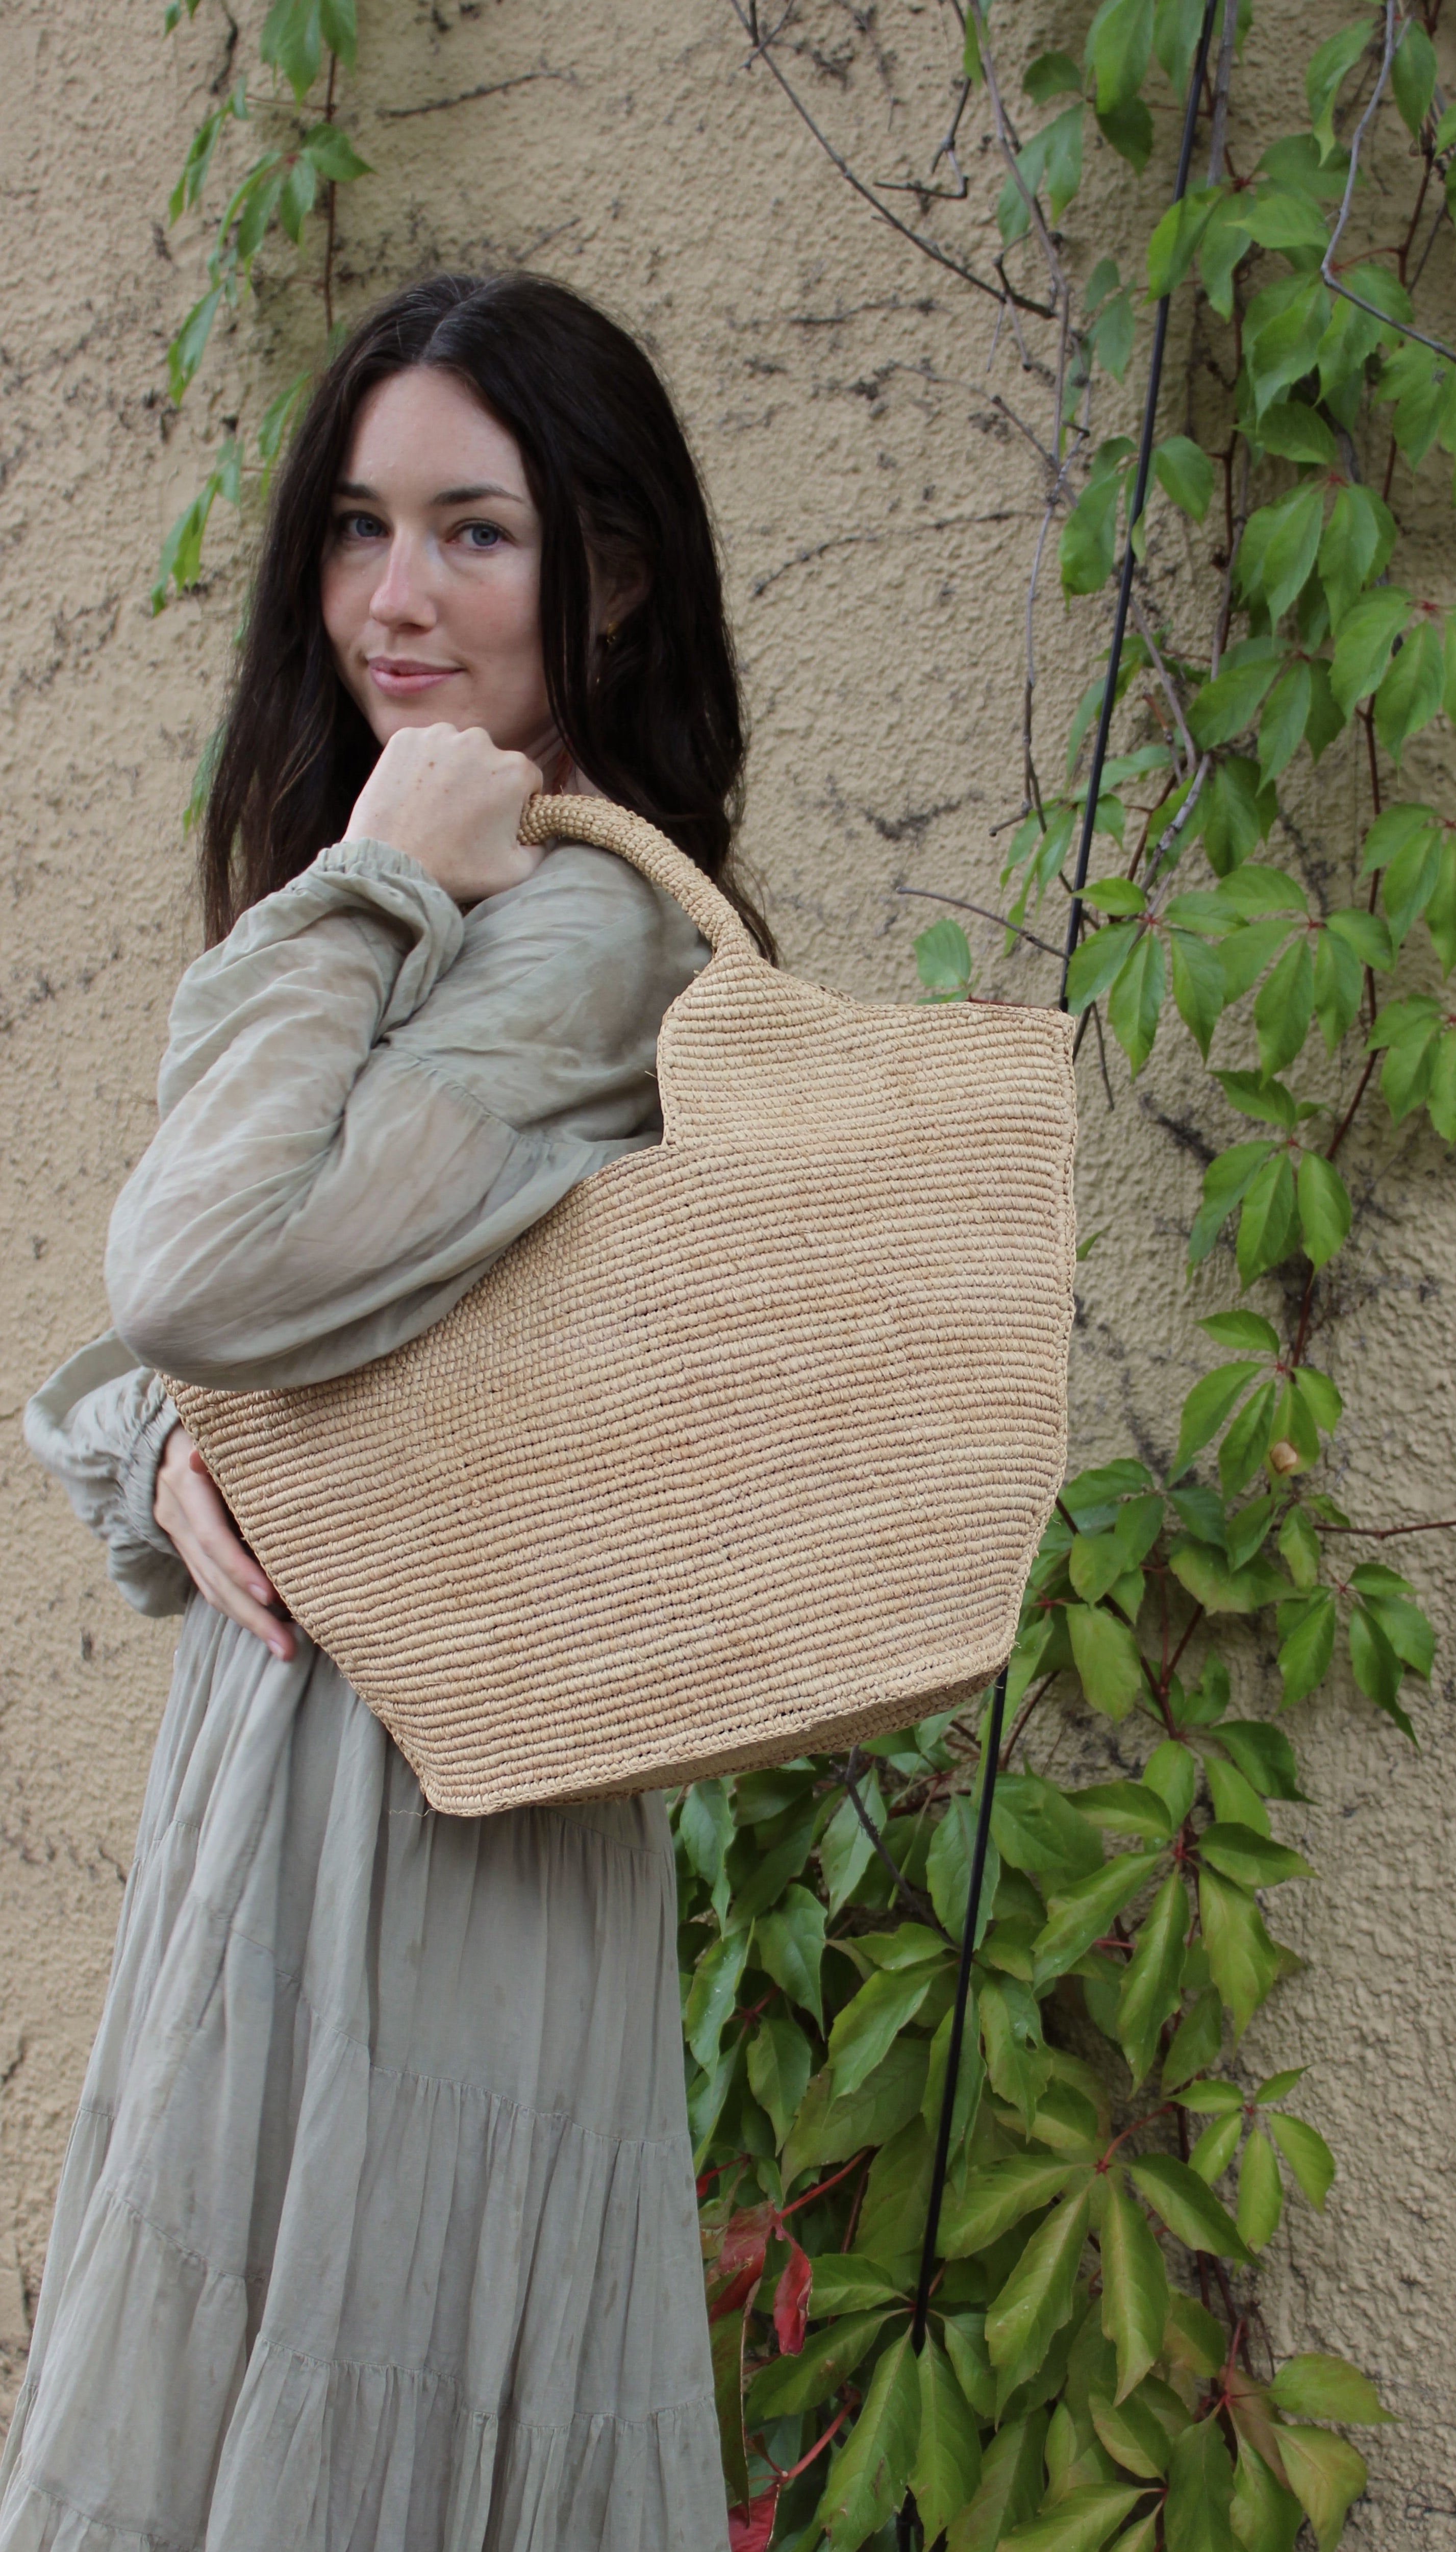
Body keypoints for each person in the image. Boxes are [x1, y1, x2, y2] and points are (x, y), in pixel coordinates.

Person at [3, 270, 767, 2552]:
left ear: (609, 577)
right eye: (355, 526)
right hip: (301, 1766)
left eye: (474, 533)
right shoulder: (461, 909)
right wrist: (166, 1441)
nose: (391, 601)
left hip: (433, 1832)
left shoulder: (571, 944)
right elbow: (174, 1379)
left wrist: (355, 888)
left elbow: (196, 1270)